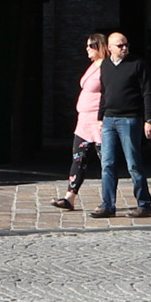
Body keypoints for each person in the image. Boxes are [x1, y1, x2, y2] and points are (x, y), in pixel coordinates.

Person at [92, 31, 151, 219]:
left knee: (133, 163)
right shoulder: (105, 65)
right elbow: (104, 92)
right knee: (107, 163)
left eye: (126, 44)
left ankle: (144, 204)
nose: (124, 48)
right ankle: (107, 205)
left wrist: (149, 119)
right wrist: (100, 116)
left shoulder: (137, 64)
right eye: (120, 45)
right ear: (110, 47)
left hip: (130, 119)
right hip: (109, 120)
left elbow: (147, 92)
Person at [51, 33, 107, 212]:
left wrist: (103, 116)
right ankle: (70, 197)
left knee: (106, 161)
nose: (87, 49)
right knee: (78, 158)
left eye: (90, 45)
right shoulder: (93, 65)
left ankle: (108, 200)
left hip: (98, 120)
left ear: (99, 46)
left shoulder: (107, 67)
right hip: (84, 121)